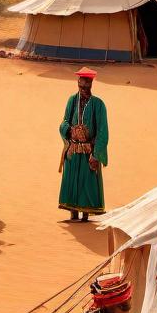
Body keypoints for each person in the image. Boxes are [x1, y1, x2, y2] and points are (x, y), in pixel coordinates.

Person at [58, 68, 108, 222]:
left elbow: (102, 131)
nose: (84, 90)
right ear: (77, 84)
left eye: (87, 87)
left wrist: (96, 154)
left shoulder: (99, 104)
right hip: (73, 148)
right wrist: (69, 131)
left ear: (91, 85)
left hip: (89, 151)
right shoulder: (72, 101)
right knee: (71, 179)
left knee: (87, 182)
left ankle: (85, 214)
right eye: (81, 87)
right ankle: (73, 212)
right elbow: (64, 121)